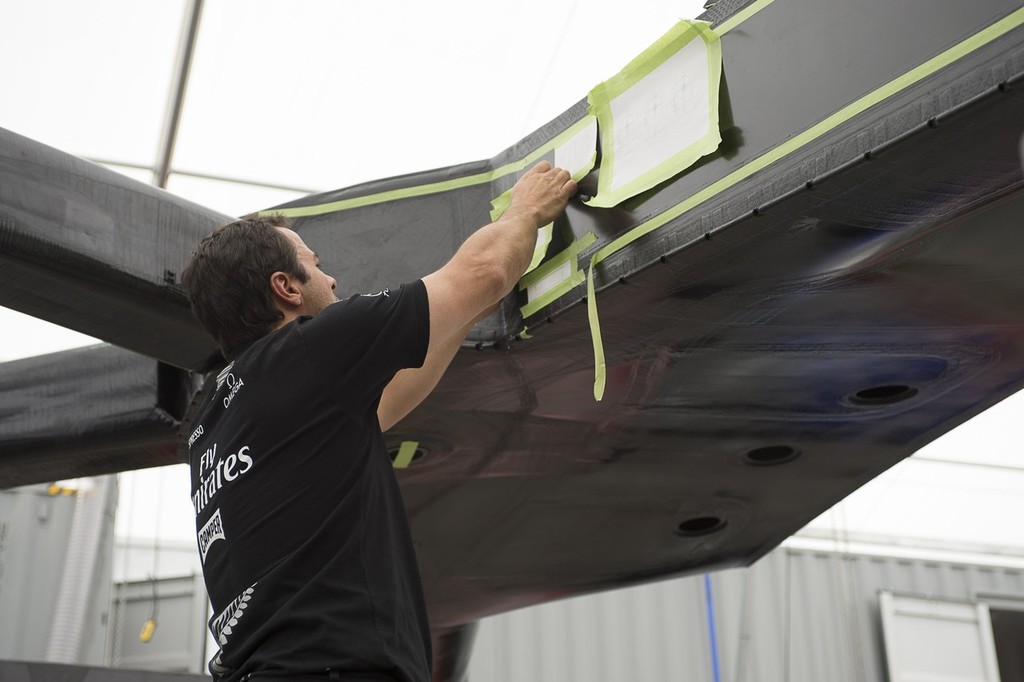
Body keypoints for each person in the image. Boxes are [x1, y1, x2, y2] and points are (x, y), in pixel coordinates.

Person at [180, 161, 576, 682]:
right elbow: (487, 272)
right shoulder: (310, 350)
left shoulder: (217, 423)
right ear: (287, 287)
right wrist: (525, 210)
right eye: (315, 265)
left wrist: (464, 311)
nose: (332, 277)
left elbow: (389, 399)